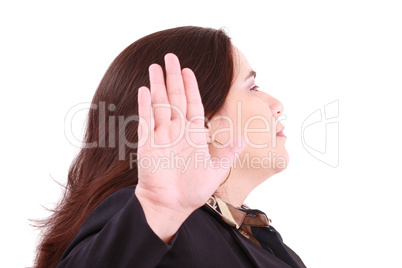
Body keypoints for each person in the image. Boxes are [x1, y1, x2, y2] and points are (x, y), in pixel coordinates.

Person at [32, 26, 306, 268]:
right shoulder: (164, 223)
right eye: (252, 87)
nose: (277, 105)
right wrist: (158, 212)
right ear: (200, 121)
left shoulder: (259, 238)